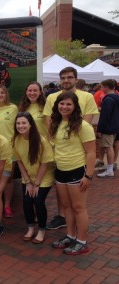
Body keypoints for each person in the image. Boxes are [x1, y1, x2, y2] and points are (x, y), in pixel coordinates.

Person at [43, 66, 99, 230]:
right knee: (64, 198)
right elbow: (49, 121)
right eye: (63, 78)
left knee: (78, 205)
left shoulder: (87, 97)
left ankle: (80, 238)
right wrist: (55, 139)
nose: (66, 80)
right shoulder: (52, 97)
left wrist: (88, 175)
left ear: (75, 79)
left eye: (69, 77)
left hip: (77, 158)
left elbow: (87, 126)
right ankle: (66, 225)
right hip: (60, 157)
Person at [49, 91, 95, 255]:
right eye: (62, 103)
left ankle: (82, 242)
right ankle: (70, 235)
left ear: (75, 106)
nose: (64, 106)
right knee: (67, 206)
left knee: (78, 207)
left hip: (77, 170)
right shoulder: (57, 123)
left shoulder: (83, 126)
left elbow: (91, 152)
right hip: (61, 171)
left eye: (69, 104)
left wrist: (88, 175)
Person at [12, 112, 55, 244]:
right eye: (18, 123)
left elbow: (45, 163)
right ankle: (30, 228)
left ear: (31, 124)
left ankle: (41, 230)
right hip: (28, 177)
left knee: (38, 201)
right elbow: (18, 161)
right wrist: (28, 181)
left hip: (43, 176)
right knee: (27, 201)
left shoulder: (41, 141)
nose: (21, 126)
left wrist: (36, 183)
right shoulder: (16, 140)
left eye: (24, 123)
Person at [0, 84, 18, 218]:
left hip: (10, 149)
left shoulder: (13, 108)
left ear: (6, 94)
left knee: (9, 178)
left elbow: (18, 128)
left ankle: (7, 205)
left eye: (2, 93)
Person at [96, 79, 119, 178]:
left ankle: (109, 170)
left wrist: (100, 129)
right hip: (115, 126)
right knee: (111, 146)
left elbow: (104, 116)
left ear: (106, 87)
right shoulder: (116, 97)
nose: (101, 89)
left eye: (101, 87)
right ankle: (110, 167)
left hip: (108, 128)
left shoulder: (108, 99)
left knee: (108, 147)